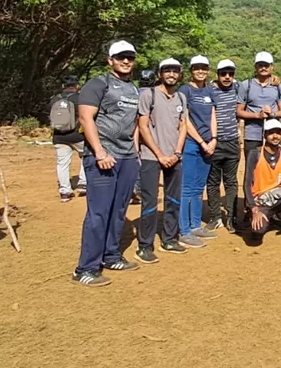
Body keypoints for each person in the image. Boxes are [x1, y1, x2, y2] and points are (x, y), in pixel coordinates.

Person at [72, 41, 143, 287]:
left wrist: (134, 153)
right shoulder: (98, 84)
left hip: (126, 158)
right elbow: (85, 117)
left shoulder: (133, 89)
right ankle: (86, 269)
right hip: (102, 158)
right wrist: (100, 153)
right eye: (120, 57)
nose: (126, 61)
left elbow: (134, 124)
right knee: (99, 213)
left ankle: (111, 256)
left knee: (119, 211)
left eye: (130, 57)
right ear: (110, 60)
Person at [135, 58, 188, 261]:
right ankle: (145, 246)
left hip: (174, 157)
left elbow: (183, 126)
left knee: (173, 200)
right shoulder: (149, 95)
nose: (171, 74)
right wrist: (160, 155)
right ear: (160, 74)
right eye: (167, 71)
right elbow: (143, 127)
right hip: (151, 157)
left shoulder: (181, 98)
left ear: (180, 74)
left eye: (175, 71)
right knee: (149, 202)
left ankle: (169, 239)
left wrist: (176, 153)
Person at [177, 56, 219, 249]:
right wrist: (202, 141)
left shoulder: (209, 90)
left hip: (208, 144)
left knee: (198, 187)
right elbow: (184, 120)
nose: (201, 71)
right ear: (191, 70)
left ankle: (195, 225)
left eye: (204, 68)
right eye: (197, 68)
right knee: (186, 188)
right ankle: (183, 230)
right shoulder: (185, 90)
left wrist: (214, 139)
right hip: (191, 143)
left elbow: (212, 115)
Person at [206, 58, 242, 232]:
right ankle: (215, 217)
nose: (227, 77)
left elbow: (260, 82)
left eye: (231, 74)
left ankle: (232, 217)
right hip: (214, 143)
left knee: (231, 182)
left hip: (233, 142)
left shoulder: (238, 88)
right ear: (217, 75)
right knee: (212, 182)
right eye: (223, 73)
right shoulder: (209, 90)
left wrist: (275, 79)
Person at [236, 51, 281, 160]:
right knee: (251, 170)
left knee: (270, 169)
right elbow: (239, 111)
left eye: (266, 65)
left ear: (272, 67)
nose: (263, 68)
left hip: (273, 135)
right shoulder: (246, 85)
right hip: (252, 135)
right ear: (255, 67)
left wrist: (272, 114)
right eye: (260, 65)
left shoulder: (277, 86)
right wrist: (257, 116)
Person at [49, 75, 87, 203]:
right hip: (78, 136)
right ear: (77, 86)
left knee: (62, 163)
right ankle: (83, 184)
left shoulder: (54, 99)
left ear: (62, 86)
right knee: (86, 156)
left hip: (59, 137)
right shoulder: (80, 98)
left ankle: (65, 192)